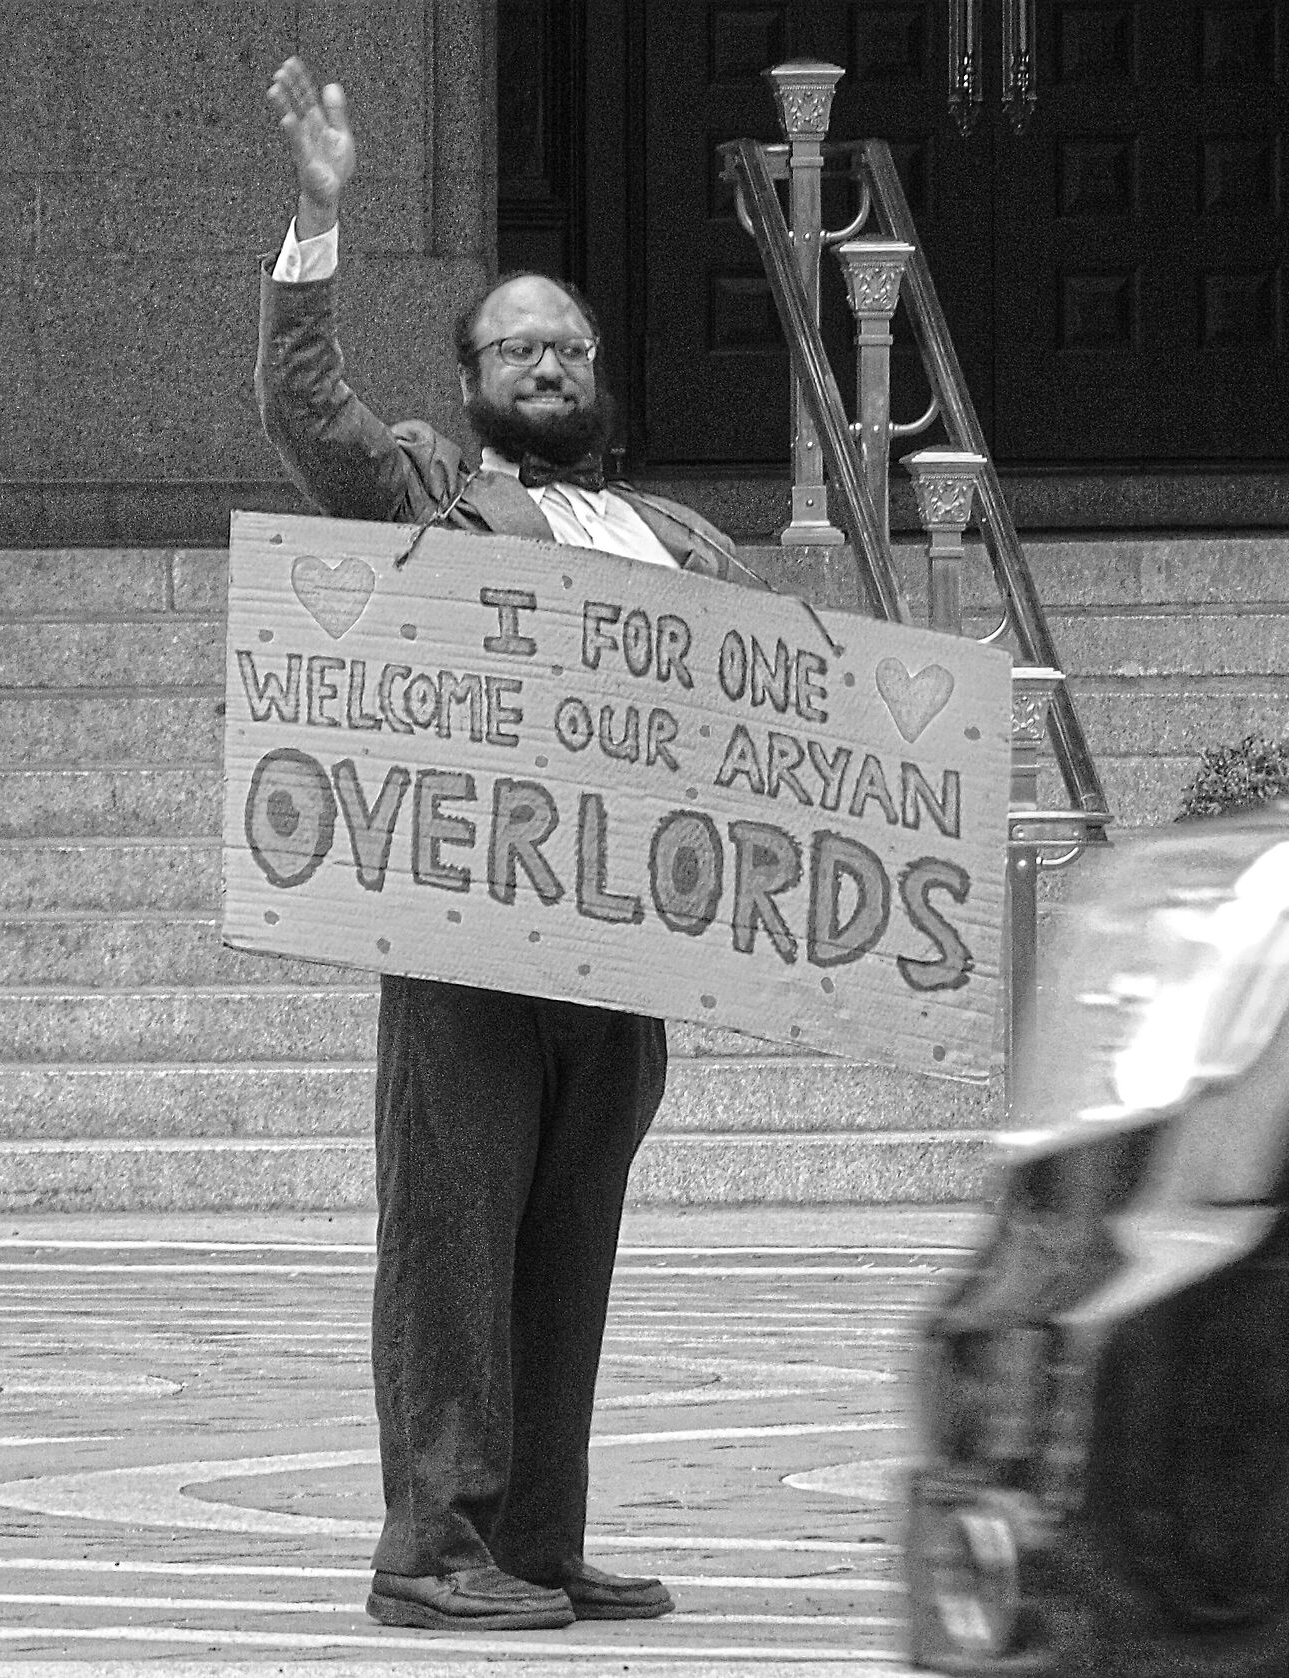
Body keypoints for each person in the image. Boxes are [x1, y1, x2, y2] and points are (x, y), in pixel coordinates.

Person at [257, 55, 744, 1636]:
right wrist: (319, 218)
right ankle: (430, 1544)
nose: (546, 363)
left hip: (622, 964)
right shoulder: (429, 496)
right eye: (516, 347)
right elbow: (306, 413)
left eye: (569, 345)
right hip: (468, 941)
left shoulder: (683, 541)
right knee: (453, 1245)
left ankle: (536, 1535)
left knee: (568, 1252)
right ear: (469, 379)